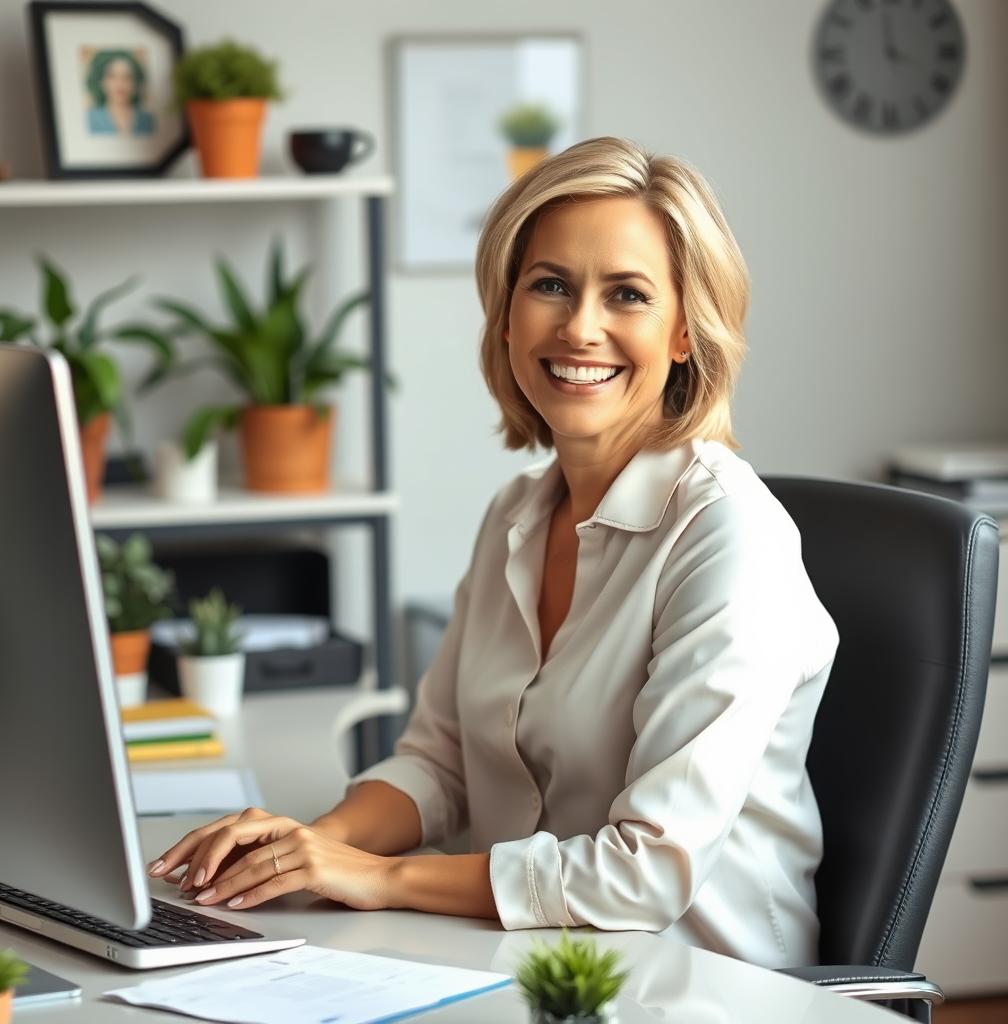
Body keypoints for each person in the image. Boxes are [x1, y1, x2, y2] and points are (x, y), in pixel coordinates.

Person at [147, 136, 840, 969]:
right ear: (507, 315)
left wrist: (381, 877)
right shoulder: (518, 512)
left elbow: (645, 875)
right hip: (526, 958)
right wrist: (308, 845)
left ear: (686, 333)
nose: (581, 327)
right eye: (550, 285)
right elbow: (439, 764)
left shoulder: (730, 538)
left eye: (627, 295)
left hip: (701, 983)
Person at [85, 49, 155, 136]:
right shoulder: (90, 119)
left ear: (135, 83)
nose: (120, 84)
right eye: (112, 76)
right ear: (101, 82)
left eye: (127, 77)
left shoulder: (147, 120)